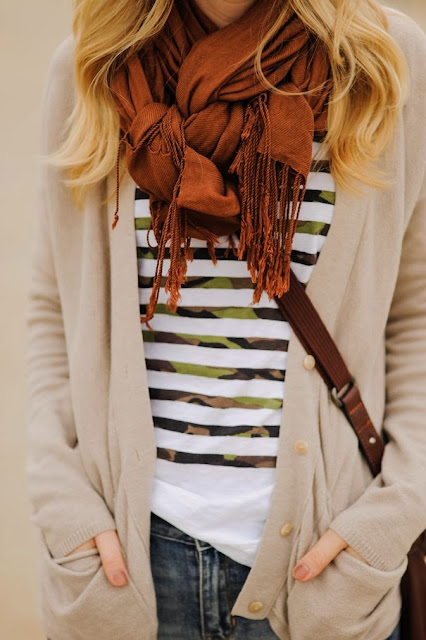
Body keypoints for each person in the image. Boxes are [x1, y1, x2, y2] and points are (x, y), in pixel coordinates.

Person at [24, 0, 426, 639]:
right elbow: (54, 307)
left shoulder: (382, 62)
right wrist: (63, 504)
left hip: (324, 567)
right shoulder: (94, 68)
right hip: (125, 566)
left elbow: (415, 313)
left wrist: (393, 515)